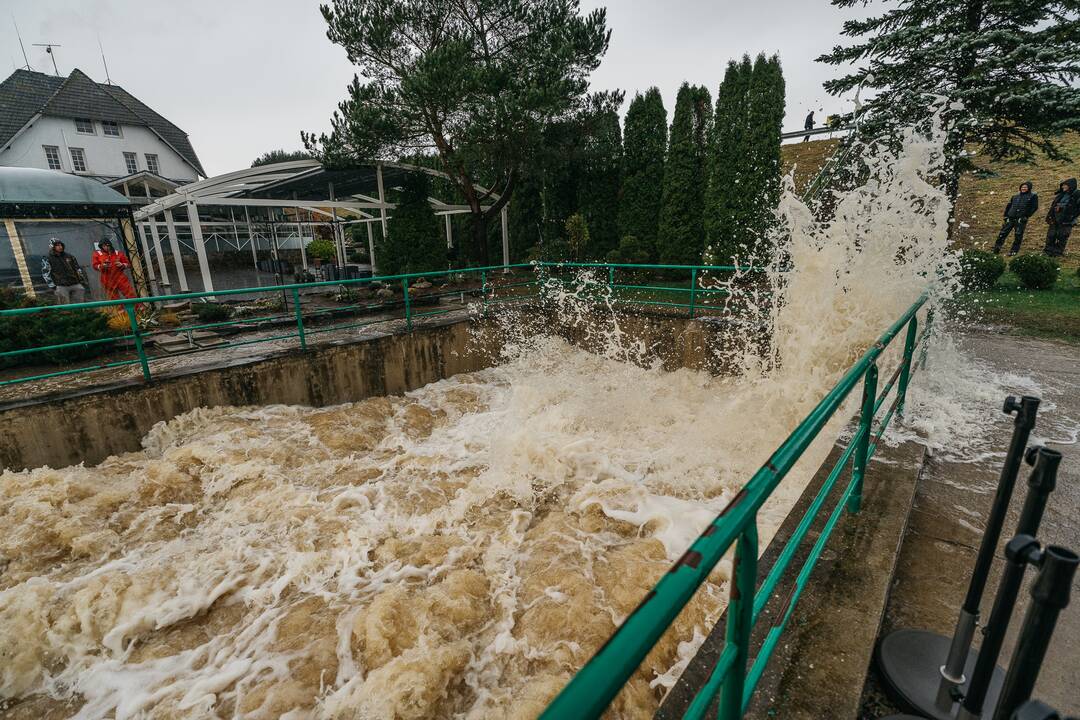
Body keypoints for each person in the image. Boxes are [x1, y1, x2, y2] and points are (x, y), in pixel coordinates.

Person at [993, 181, 1038, 255]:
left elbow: (1034, 207)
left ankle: (1013, 251)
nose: (1023, 188)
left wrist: (1026, 216)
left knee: (1018, 235)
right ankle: (996, 249)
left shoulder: (1033, 196)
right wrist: (1006, 216)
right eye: (1022, 187)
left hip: (1021, 219)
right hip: (1010, 218)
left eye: (1025, 187)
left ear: (1029, 188)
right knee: (1002, 233)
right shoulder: (1015, 196)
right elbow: (1009, 206)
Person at [41, 239, 88, 304]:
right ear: (52, 246)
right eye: (57, 245)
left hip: (75, 283)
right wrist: (53, 286)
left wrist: (82, 280)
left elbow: (77, 268)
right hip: (61, 286)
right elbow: (45, 273)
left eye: (61, 245)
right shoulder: (47, 258)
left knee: (80, 305)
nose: (60, 247)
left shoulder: (69, 256)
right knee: (65, 307)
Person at [1044, 178, 1078, 257]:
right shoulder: (1061, 195)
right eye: (1062, 185)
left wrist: (1070, 216)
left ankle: (1057, 253)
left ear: (1070, 186)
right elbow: (1053, 206)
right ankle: (1048, 252)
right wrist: (1049, 216)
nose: (1063, 187)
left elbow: (1076, 208)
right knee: (1051, 235)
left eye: (1065, 185)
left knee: (1062, 236)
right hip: (1055, 219)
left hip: (1067, 220)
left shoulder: (1076, 194)